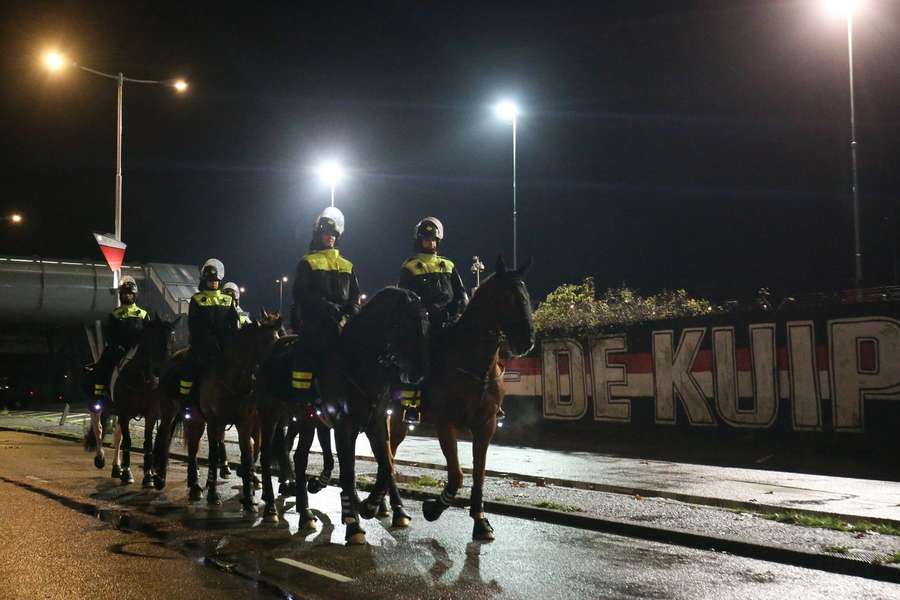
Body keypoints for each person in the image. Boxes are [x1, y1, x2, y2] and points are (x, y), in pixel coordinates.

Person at [396, 217, 468, 424]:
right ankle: (412, 405)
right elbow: (405, 298)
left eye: (434, 239)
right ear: (419, 240)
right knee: (420, 355)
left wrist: (456, 310)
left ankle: (486, 399)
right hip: (423, 325)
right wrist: (425, 311)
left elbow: (461, 293)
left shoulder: (448, 265)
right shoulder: (409, 267)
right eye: (426, 239)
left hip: (449, 322)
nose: (431, 243)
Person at [290, 207, 360, 412]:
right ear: (318, 236)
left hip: (343, 324)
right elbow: (302, 293)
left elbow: (355, 294)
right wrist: (326, 307)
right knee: (304, 355)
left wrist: (351, 311)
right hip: (317, 325)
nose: (329, 237)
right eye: (325, 234)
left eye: (332, 234)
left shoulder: (347, 264)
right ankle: (301, 399)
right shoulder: (308, 262)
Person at [180, 259, 239, 420]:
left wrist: (230, 340)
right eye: (210, 281)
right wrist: (208, 340)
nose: (213, 283)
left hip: (224, 346)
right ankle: (187, 401)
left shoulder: (227, 300)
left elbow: (233, 323)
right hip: (203, 347)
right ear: (204, 281)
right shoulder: (197, 299)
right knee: (189, 365)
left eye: (216, 281)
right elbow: (194, 324)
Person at [91, 276, 150, 410]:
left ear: (135, 295)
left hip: (137, 350)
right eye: (125, 294)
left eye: (130, 294)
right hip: (119, 349)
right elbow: (110, 334)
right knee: (102, 364)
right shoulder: (115, 314)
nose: (128, 296)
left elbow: (147, 334)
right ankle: (99, 395)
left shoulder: (143, 314)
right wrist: (118, 346)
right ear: (121, 295)